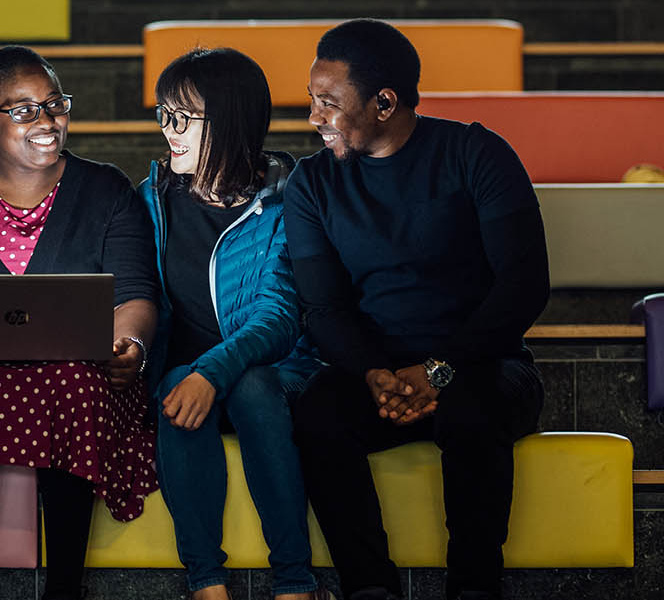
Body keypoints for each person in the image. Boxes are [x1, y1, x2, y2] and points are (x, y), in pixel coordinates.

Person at [282, 19, 550, 600]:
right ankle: (370, 589)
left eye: (328, 104)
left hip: (486, 365)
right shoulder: (311, 183)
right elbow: (324, 308)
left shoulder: (475, 153)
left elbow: (525, 286)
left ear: (384, 102)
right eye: (312, 101)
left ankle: (474, 589)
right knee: (319, 413)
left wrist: (438, 370)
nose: (313, 119)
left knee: (470, 412)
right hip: (378, 374)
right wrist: (375, 374)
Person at [0, 45, 159, 600]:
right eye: (22, 110)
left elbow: (135, 295)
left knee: (75, 383)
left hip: (83, 372)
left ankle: (64, 588)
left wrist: (128, 344)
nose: (46, 120)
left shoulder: (106, 187)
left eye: (54, 104)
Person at [138, 48, 327, 600]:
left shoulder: (288, 199)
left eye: (184, 119)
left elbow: (279, 316)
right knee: (174, 383)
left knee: (249, 381)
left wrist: (212, 371)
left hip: (276, 377)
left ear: (231, 121)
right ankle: (207, 584)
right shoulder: (152, 198)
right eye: (163, 114)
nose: (168, 131)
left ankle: (294, 582)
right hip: (182, 382)